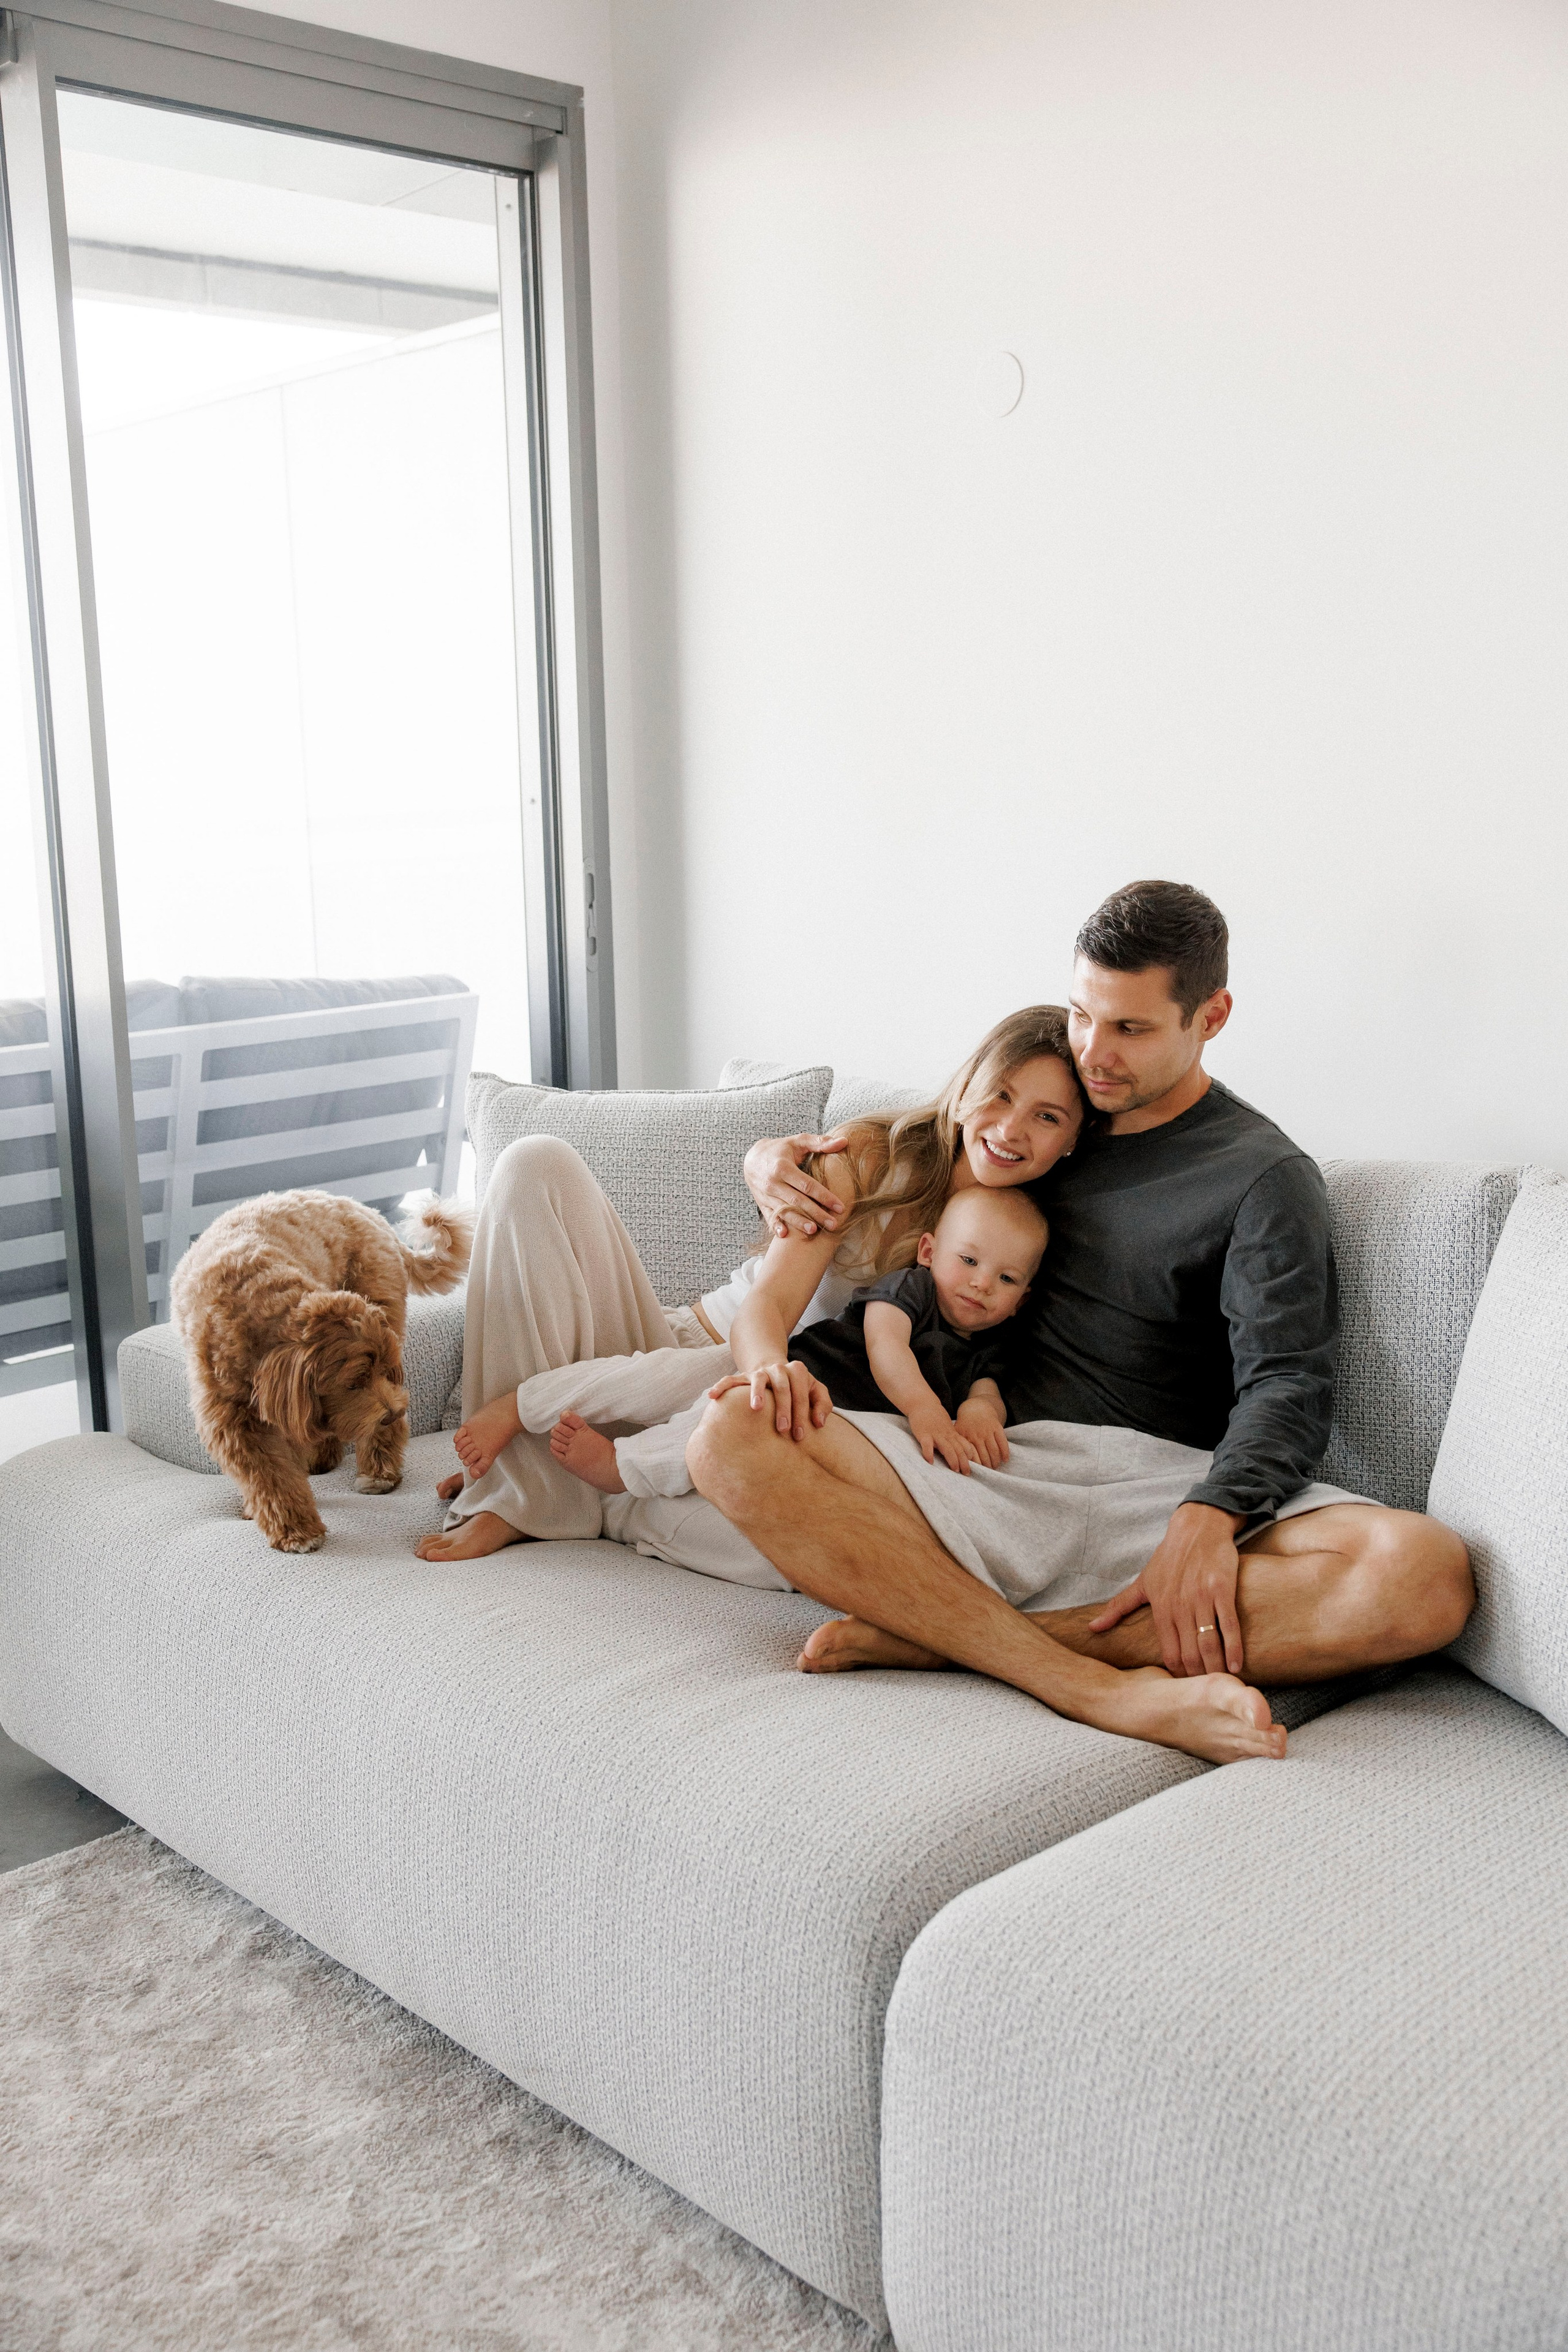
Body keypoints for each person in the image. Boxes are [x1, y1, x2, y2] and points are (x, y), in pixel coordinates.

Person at [684, 879, 1475, 1766]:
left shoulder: (1263, 1176)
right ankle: (1090, 1685)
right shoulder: (1045, 1121)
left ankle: (949, 1636)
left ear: (1210, 1017)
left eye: (1131, 1029)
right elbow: (910, 1143)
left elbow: (1288, 1380)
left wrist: (1208, 1518)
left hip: (1155, 1484)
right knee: (728, 1436)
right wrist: (767, 1158)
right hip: (986, 1466)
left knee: (1425, 1574)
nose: (1095, 1053)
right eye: (1081, 1015)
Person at [413, 1004, 1084, 1562]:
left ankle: (564, 1480)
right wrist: (770, 1371)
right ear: (969, 1085)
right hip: (690, 1348)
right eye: (1001, 1094)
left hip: (765, 1423)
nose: (1011, 1129)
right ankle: (522, 1490)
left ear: (1073, 1139)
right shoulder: (874, 1155)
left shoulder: (1033, 1239)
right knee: (536, 1162)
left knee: (807, 1535)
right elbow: (767, 1305)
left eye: (1047, 1117)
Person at [547, 1184, 1049, 1496]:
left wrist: (981, 1415)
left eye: (1006, 1279)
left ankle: (636, 1481)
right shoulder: (913, 1288)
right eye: (968, 1262)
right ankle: (621, 1464)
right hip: (804, 1379)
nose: (982, 1284)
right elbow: (885, 1345)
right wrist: (925, 1408)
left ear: (1024, 1299)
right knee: (712, 1412)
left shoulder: (998, 1339)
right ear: (928, 1251)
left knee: (740, 1460)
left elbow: (988, 1389)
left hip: (839, 1427)